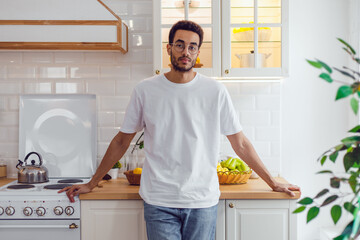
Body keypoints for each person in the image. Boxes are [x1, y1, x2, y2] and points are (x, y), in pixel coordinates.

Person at [59, 20, 300, 240]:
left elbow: (241, 144)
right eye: (180, 45)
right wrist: (92, 183)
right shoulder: (145, 90)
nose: (186, 52)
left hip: (202, 201)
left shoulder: (215, 92)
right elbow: (122, 142)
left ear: (197, 51)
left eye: (192, 47)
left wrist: (273, 183)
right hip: (159, 200)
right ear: (169, 48)